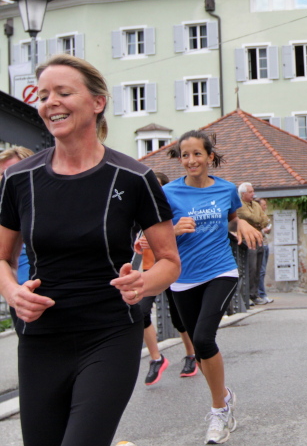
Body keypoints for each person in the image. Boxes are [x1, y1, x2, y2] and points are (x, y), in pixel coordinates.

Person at [0, 54, 180, 446]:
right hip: (41, 339)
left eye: (63, 92)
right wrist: (12, 292)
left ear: (98, 102)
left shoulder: (133, 177)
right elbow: (2, 258)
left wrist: (143, 283)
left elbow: (169, 262)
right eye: (43, 95)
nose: (51, 102)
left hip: (109, 334)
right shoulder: (18, 178)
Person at [163, 130, 263, 444]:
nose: (191, 160)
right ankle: (224, 396)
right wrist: (174, 230)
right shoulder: (168, 193)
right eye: (185, 155)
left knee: (204, 339)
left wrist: (241, 222)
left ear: (209, 156)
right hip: (182, 278)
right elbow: (153, 232)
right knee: (199, 349)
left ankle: (219, 410)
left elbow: (231, 217)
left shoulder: (226, 189)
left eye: (197, 154)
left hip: (220, 270)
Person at [135, 171, 198, 385]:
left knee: (179, 317)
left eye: (158, 186)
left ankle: (191, 354)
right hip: (149, 270)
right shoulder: (139, 208)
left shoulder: (174, 208)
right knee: (141, 312)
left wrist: (173, 231)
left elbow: (188, 230)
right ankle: (156, 358)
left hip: (172, 268)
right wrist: (137, 243)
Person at [0, 147, 35, 287]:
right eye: (3, 174)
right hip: (13, 291)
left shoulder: (42, 213)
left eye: (14, 173)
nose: (8, 179)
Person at [237, 182, 270, 306]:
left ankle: (255, 295)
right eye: (250, 192)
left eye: (253, 191)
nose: (253, 194)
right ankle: (247, 295)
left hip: (259, 239)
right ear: (243, 194)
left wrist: (260, 220)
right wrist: (260, 220)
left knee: (258, 268)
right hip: (247, 240)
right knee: (250, 268)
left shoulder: (256, 205)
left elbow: (265, 220)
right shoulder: (239, 205)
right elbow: (251, 218)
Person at [256, 198, 274, 303]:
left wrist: (267, 229)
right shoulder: (255, 216)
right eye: (264, 205)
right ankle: (261, 294)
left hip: (265, 243)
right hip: (259, 244)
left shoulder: (264, 216)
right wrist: (263, 230)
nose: (265, 207)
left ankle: (261, 293)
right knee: (260, 270)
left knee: (263, 270)